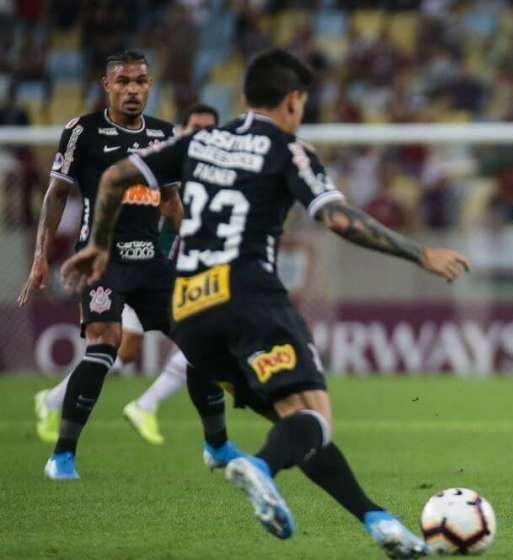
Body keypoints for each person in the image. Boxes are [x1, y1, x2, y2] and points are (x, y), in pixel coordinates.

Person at [61, 49, 469, 558]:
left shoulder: (198, 140)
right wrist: (420, 253)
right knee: (314, 419)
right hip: (250, 298)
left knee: (296, 425)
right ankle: (257, 467)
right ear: (294, 101)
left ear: (244, 98)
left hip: (189, 311)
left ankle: (380, 522)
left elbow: (117, 175)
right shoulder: (288, 149)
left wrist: (98, 243)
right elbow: (336, 218)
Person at [18, 51, 185, 477]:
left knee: (201, 337)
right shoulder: (83, 131)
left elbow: (170, 202)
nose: (133, 90)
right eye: (124, 81)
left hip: (152, 263)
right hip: (101, 259)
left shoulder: (166, 133)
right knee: (105, 342)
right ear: (106, 85)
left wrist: (197, 249)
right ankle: (63, 456)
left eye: (141, 81)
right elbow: (57, 193)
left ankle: (220, 447)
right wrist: (40, 258)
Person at [33, 103, 223, 446]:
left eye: (208, 129)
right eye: (195, 126)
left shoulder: (213, 172)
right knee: (117, 347)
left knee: (145, 347)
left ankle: (65, 401)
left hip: (162, 270)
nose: (200, 134)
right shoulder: (166, 158)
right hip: (144, 265)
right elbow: (172, 213)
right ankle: (129, 405)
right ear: (185, 127)